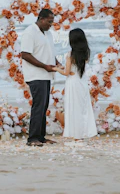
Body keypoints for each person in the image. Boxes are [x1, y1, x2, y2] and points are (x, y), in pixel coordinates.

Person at [21, 9, 62, 147]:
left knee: (44, 106)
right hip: (35, 75)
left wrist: (56, 63)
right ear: (41, 19)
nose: (51, 24)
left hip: (46, 75)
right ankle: (32, 139)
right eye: (49, 21)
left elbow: (49, 51)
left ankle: (41, 137)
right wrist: (44, 66)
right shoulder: (29, 32)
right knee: (38, 106)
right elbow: (25, 54)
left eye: (52, 21)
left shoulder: (48, 33)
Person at [53, 28, 97, 142]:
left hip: (72, 83)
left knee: (73, 108)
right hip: (82, 81)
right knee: (83, 108)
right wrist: (66, 68)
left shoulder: (70, 54)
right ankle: (84, 133)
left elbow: (67, 73)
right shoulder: (85, 53)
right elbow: (76, 68)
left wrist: (57, 69)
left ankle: (76, 135)